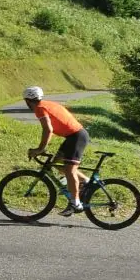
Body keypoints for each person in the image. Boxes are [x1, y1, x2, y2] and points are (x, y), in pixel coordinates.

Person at [24, 86, 90, 215]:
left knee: (70, 170)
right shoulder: (48, 104)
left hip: (76, 137)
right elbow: (54, 127)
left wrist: (40, 149)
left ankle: (75, 203)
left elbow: (48, 129)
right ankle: (86, 182)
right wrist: (43, 146)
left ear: (27, 100)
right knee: (58, 165)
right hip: (73, 137)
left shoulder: (40, 108)